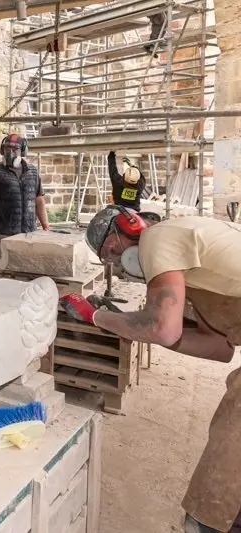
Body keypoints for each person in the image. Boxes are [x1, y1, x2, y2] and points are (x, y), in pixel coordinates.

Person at [59, 206, 241, 533]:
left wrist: (94, 317)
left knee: (229, 454)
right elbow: (219, 347)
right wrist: (134, 328)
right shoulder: (188, 262)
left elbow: (163, 327)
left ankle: (211, 525)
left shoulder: (157, 238)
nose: (118, 264)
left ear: (128, 229)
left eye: (112, 253)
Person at [0, 133, 50, 276]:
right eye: (6, 148)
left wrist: (46, 226)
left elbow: (39, 200)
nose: (9, 152)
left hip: (28, 234)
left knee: (24, 273)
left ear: (23, 151)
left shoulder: (33, 172)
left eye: (15, 149)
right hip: (1, 234)